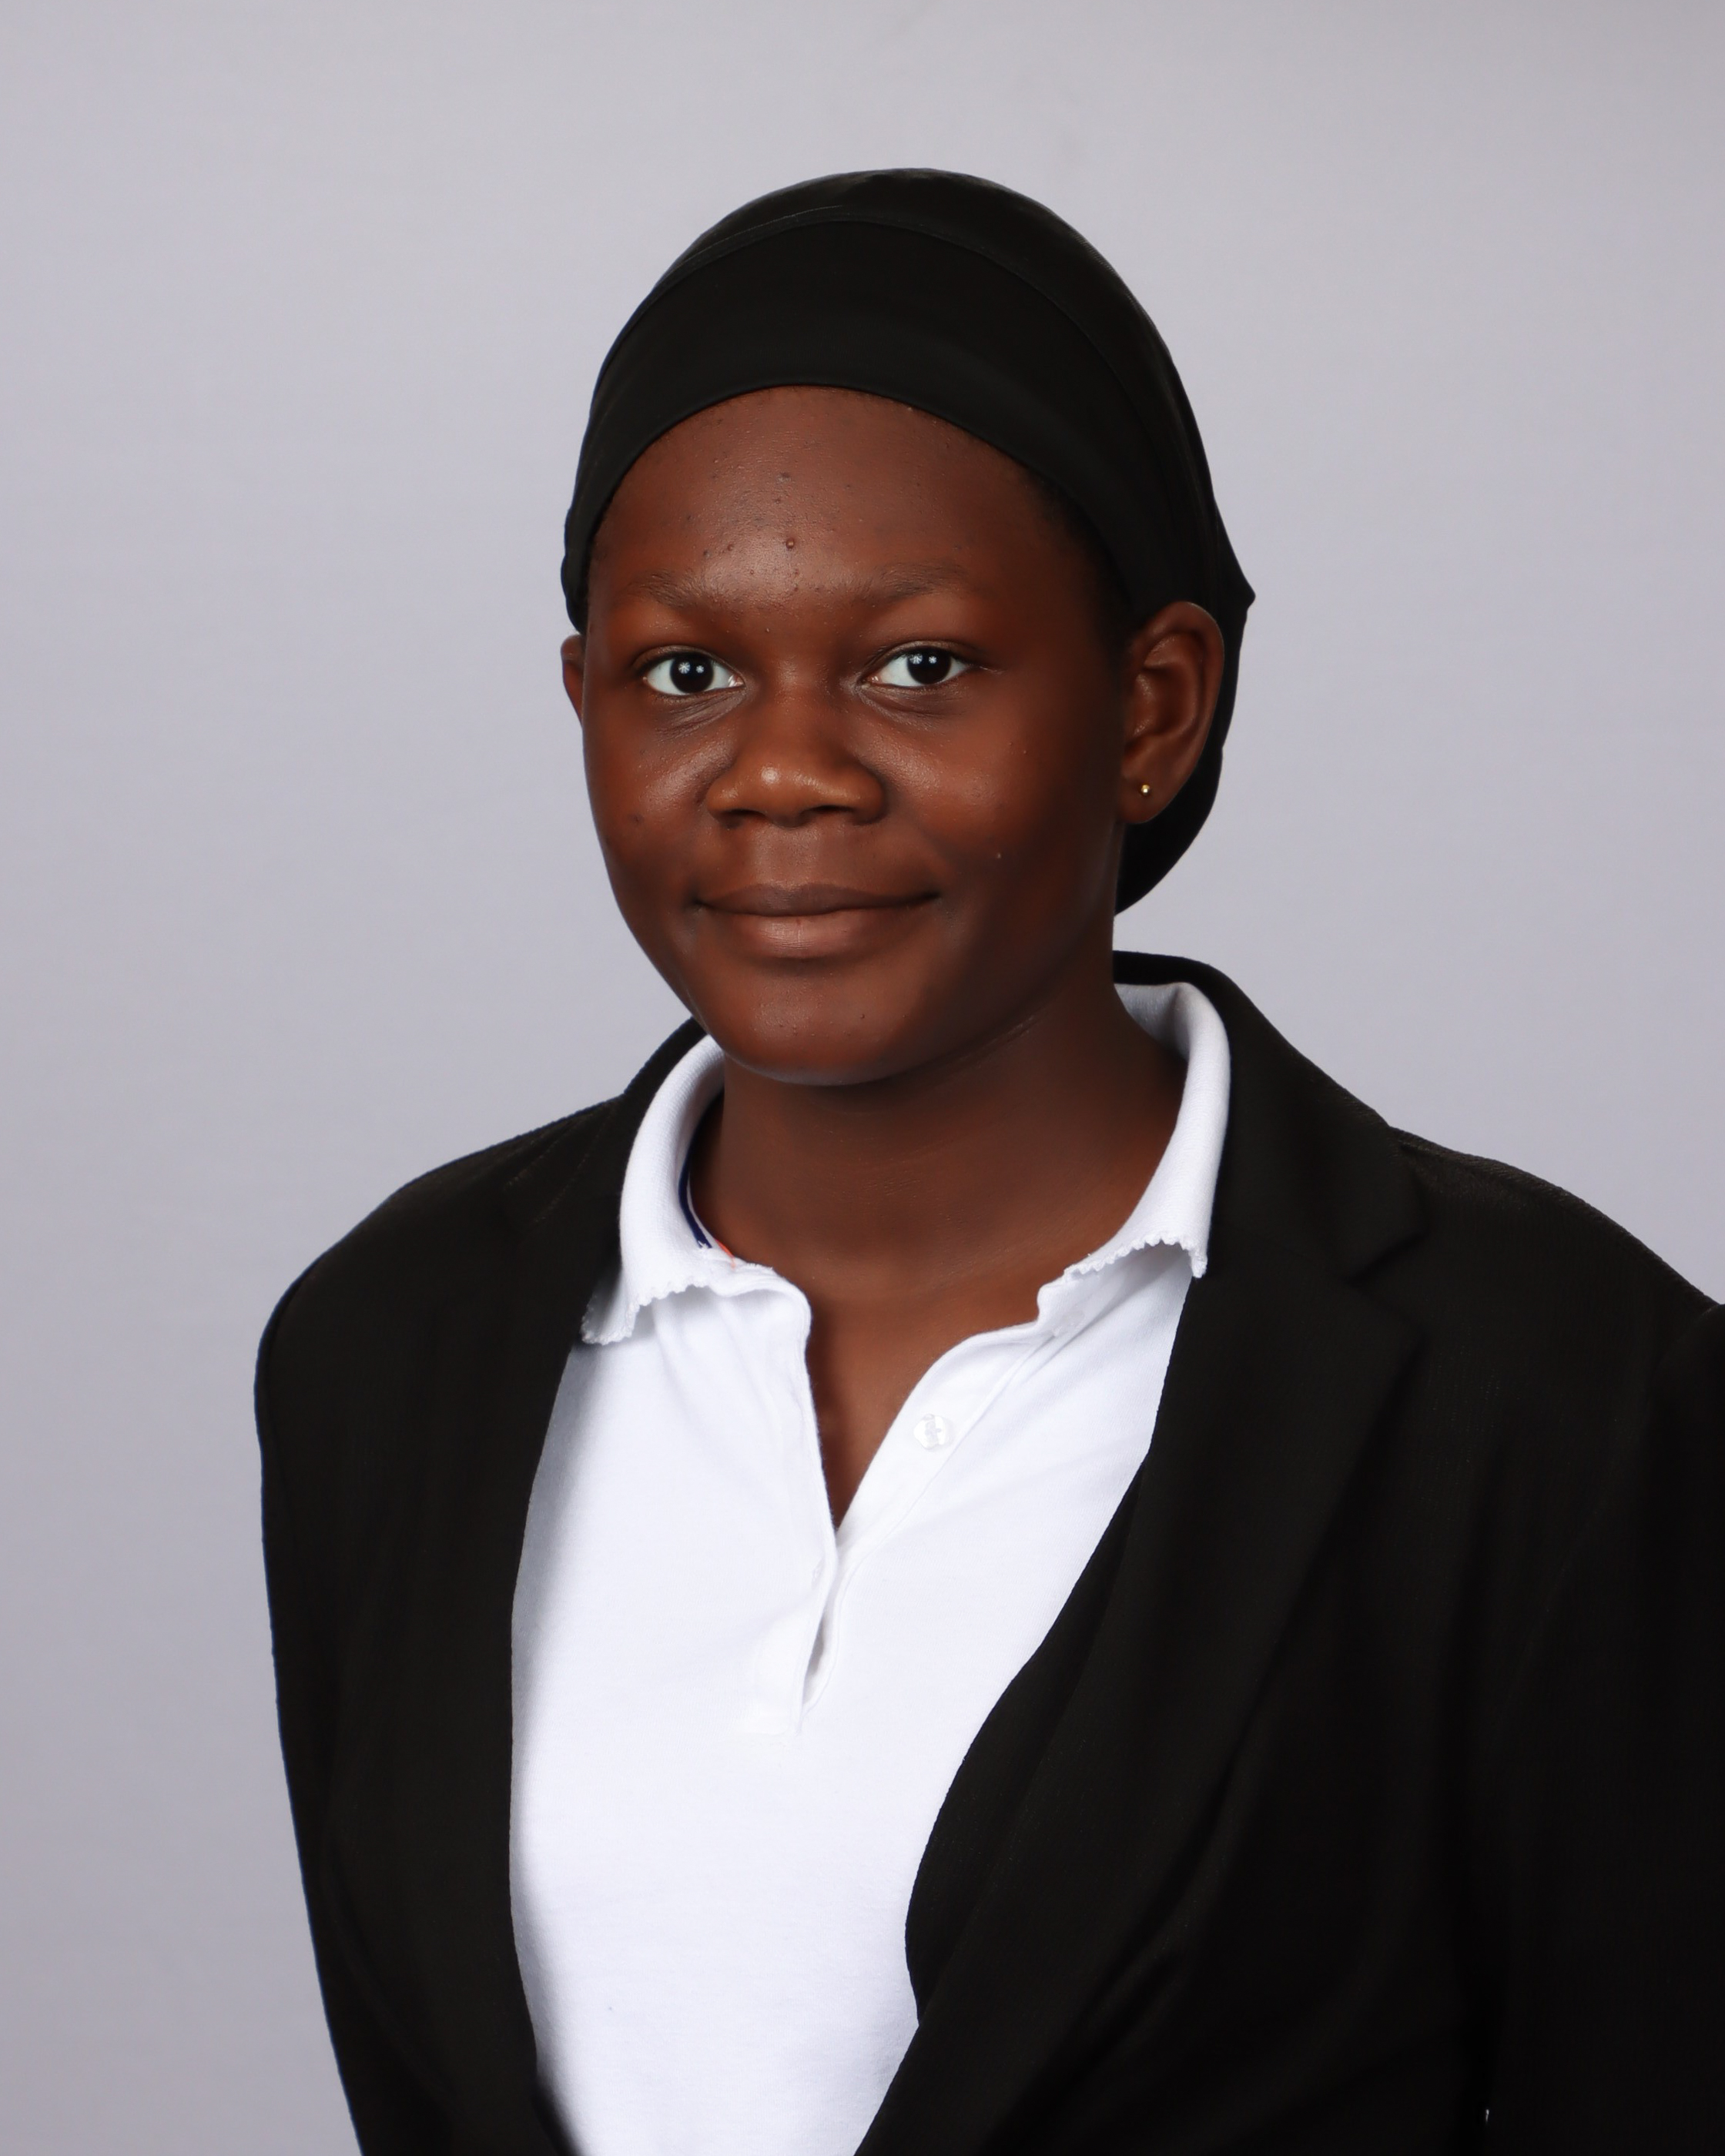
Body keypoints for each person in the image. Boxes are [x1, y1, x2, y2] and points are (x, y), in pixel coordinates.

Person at [255, 171, 1724, 2156]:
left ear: (1152, 705)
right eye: (685, 672)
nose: (784, 770)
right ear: (584, 699)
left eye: (921, 666)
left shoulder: (1564, 1399)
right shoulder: (385, 1352)